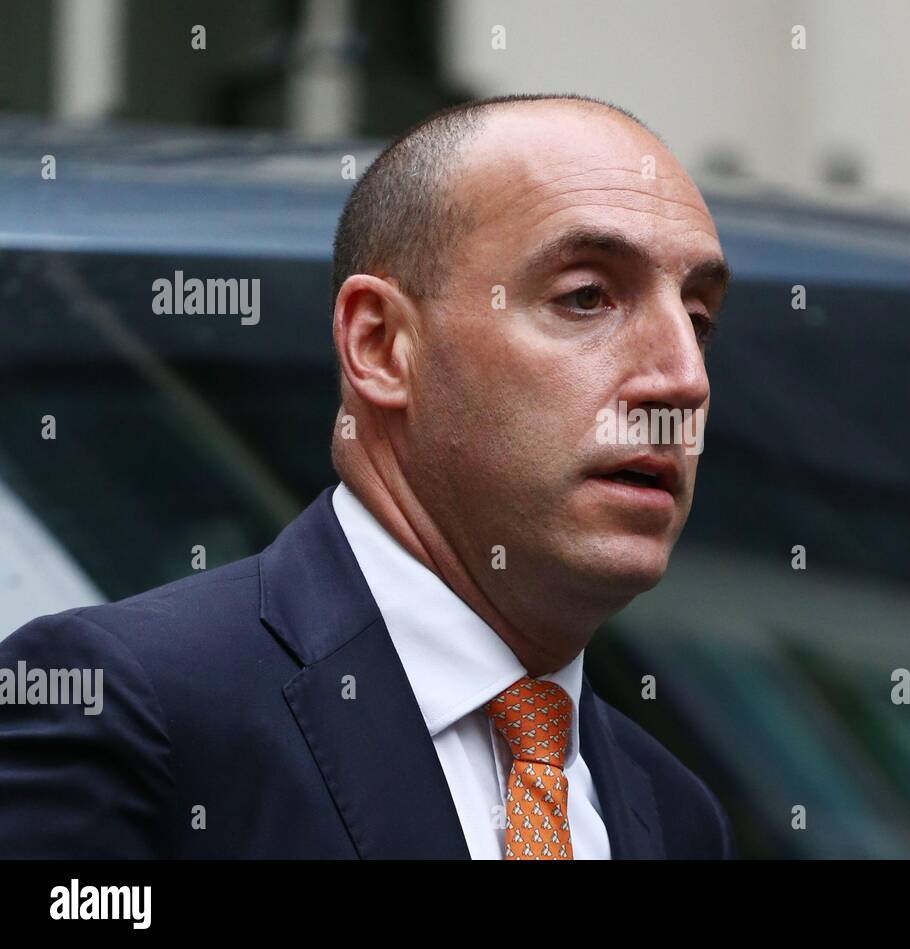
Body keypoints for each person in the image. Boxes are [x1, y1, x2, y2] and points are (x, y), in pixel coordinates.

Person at [0, 93, 735, 859]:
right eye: (587, 297)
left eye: (699, 320)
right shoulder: (125, 707)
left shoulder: (675, 817)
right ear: (381, 345)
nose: (683, 381)